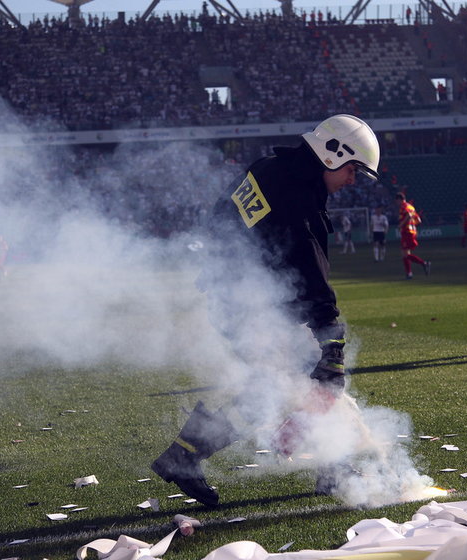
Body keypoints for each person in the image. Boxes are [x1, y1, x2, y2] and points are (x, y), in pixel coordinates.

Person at [150, 114, 381, 506]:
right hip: (253, 304)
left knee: (277, 390)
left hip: (240, 298)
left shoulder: (268, 168)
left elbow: (220, 221)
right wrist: (331, 332)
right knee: (315, 383)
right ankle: (333, 470)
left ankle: (186, 455)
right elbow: (309, 263)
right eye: (352, 169)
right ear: (331, 154)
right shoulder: (298, 191)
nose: (353, 180)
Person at [395, 193, 430, 280]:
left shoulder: (404, 206)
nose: (396, 203)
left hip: (407, 232)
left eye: (396, 200)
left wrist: (401, 225)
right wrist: (412, 226)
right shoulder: (411, 207)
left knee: (405, 254)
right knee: (405, 254)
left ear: (399, 199)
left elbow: (409, 215)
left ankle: (424, 264)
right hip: (411, 231)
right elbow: (418, 220)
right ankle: (409, 273)